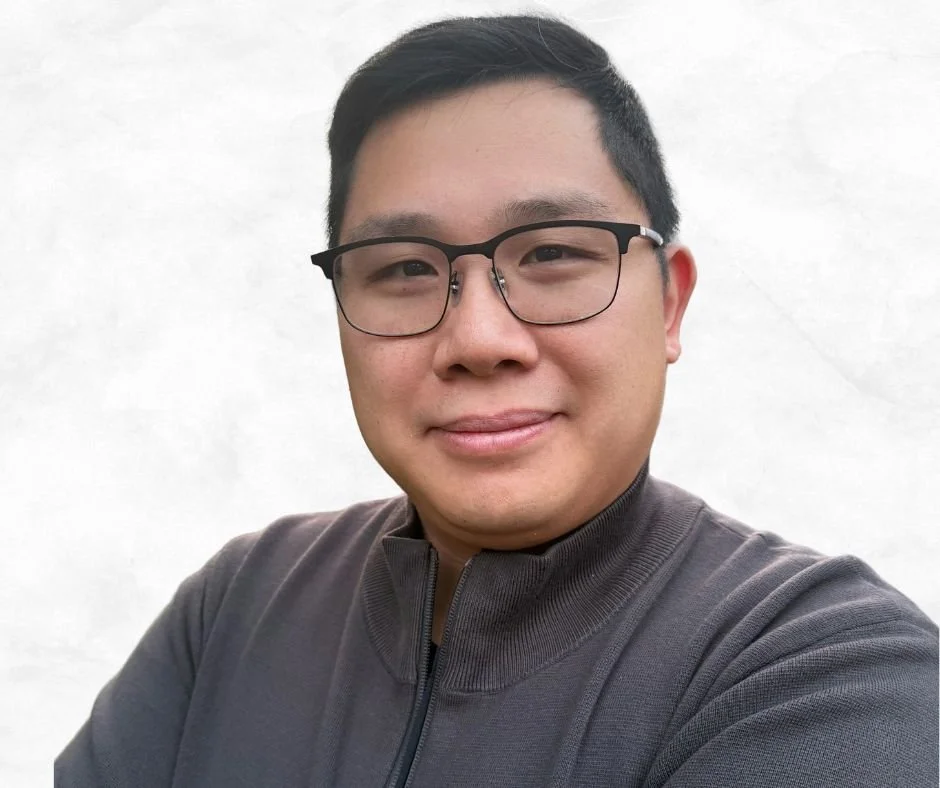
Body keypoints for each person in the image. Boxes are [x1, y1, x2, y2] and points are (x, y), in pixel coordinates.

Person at [56, 14, 938, 787]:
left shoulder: (825, 670)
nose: (479, 340)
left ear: (669, 302)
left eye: (554, 254)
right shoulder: (236, 612)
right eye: (404, 268)